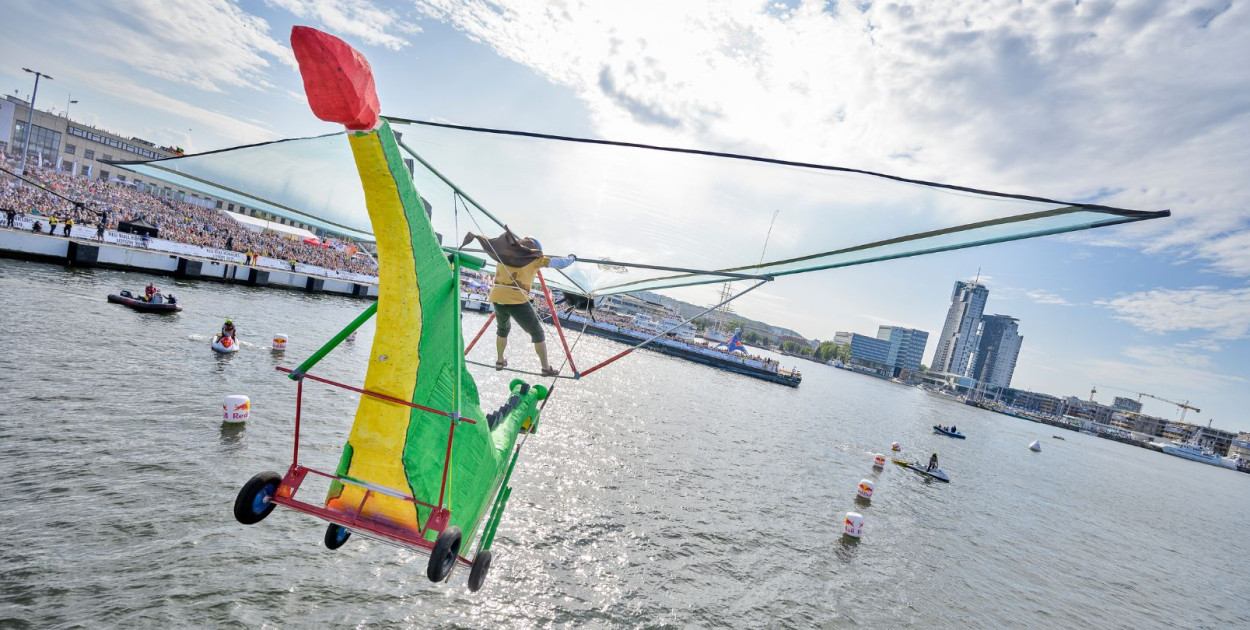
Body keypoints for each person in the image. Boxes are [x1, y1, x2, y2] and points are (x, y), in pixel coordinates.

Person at [463, 231, 575, 376]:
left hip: (497, 296)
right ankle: (546, 368)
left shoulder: (503, 253)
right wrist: (572, 258)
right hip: (516, 298)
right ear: (535, 249)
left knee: (502, 329)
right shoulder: (534, 258)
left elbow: (488, 243)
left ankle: (499, 360)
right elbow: (561, 263)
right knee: (537, 333)